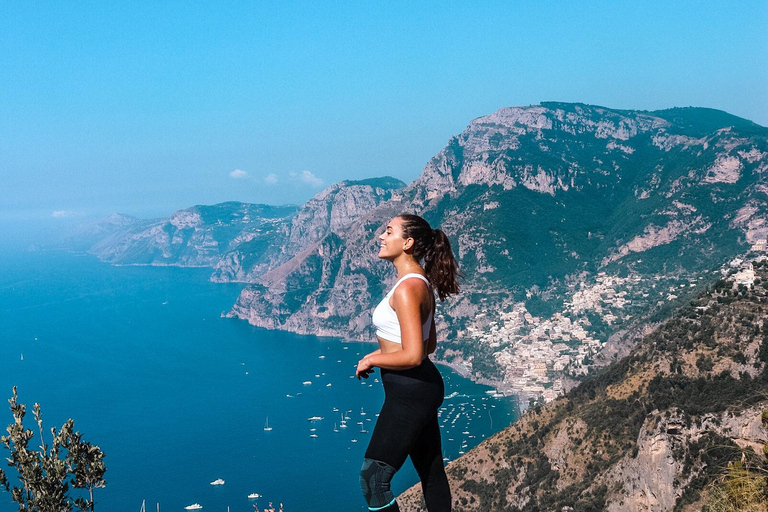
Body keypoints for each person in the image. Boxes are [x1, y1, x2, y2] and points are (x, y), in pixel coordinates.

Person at [356, 213, 460, 512]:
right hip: (418, 386)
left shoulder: (407, 288)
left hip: (410, 391)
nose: (382, 236)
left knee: (373, 479)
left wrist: (372, 357)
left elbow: (415, 355)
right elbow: (430, 344)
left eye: (389, 231)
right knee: (431, 471)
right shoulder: (419, 282)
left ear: (408, 242)